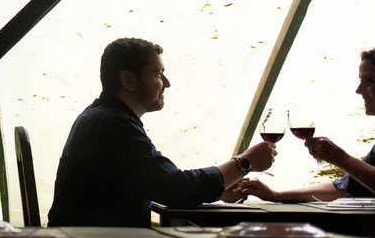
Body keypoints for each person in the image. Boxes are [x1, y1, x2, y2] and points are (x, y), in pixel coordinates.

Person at [47, 37, 276, 227]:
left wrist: (221, 188)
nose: (166, 83)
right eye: (158, 74)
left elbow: (156, 182)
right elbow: (176, 189)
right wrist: (243, 163)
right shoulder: (111, 125)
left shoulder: (104, 118)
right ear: (128, 80)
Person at [230, 45, 375, 210]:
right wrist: (276, 195)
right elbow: (348, 187)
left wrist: (341, 158)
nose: (359, 90)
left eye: (368, 80)